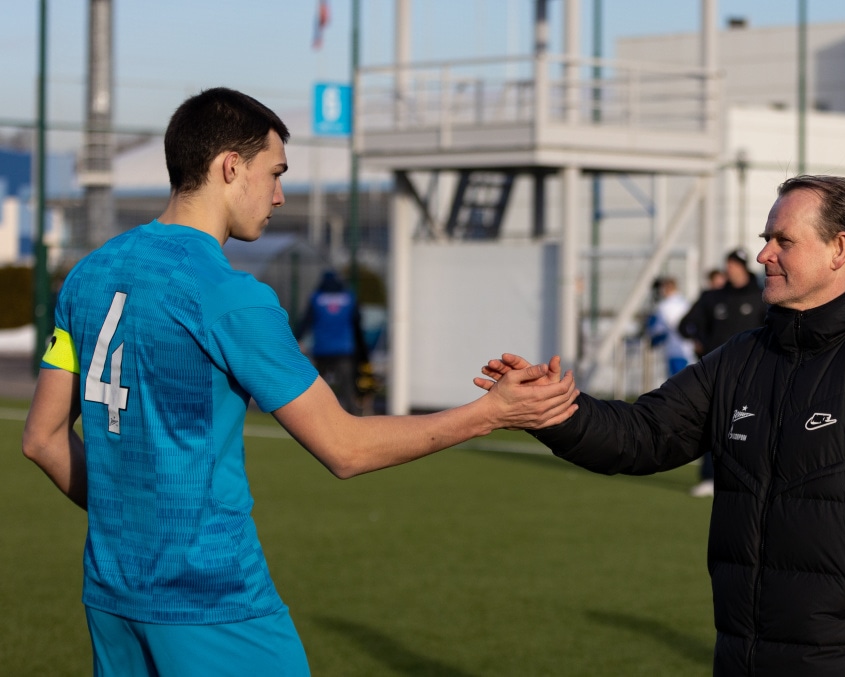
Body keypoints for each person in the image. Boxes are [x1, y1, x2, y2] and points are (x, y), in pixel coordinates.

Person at [21, 87, 579, 677]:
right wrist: (491, 413)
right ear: (229, 167)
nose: (280, 195)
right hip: (213, 602)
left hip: (112, 597)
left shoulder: (88, 275)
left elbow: (41, 438)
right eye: (275, 173)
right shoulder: (230, 295)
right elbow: (346, 448)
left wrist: (121, 517)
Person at [477, 175, 845, 677]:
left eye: (782, 241)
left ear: (838, 249)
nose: (764, 254)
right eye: (766, 239)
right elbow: (643, 434)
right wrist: (552, 409)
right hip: (743, 654)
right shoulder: (741, 359)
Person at [678, 248, 767, 497]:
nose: (732, 270)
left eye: (736, 265)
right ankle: (709, 477)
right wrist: (700, 343)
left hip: (752, 374)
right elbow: (686, 325)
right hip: (716, 373)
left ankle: (749, 477)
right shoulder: (713, 297)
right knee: (714, 423)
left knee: (749, 425)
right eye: (729, 265)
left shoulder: (761, 296)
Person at [295, 269, 367, 413]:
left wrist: (297, 338)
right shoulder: (349, 298)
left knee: (317, 385)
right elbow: (357, 323)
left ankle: (313, 412)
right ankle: (353, 415)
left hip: (322, 348)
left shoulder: (316, 298)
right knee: (347, 387)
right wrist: (362, 348)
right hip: (344, 349)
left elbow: (306, 321)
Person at [646, 276, 695, 377]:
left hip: (674, 349)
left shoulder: (664, 306)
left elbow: (658, 329)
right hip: (687, 349)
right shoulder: (686, 303)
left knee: (675, 382)